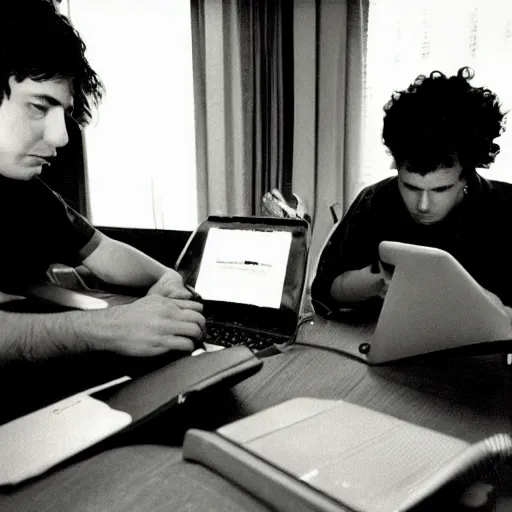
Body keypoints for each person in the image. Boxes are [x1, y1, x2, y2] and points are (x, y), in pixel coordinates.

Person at [0, 0, 205, 363]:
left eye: (62, 112)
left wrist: (167, 276)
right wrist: (108, 328)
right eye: (38, 106)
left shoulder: (24, 188)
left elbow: (102, 250)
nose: (62, 137)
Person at [311, 66, 512, 315]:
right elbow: (321, 292)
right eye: (410, 186)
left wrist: (489, 305)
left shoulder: (506, 209)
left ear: (466, 175)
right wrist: (374, 282)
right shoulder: (374, 201)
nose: (423, 205)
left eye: (441, 189)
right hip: (373, 345)